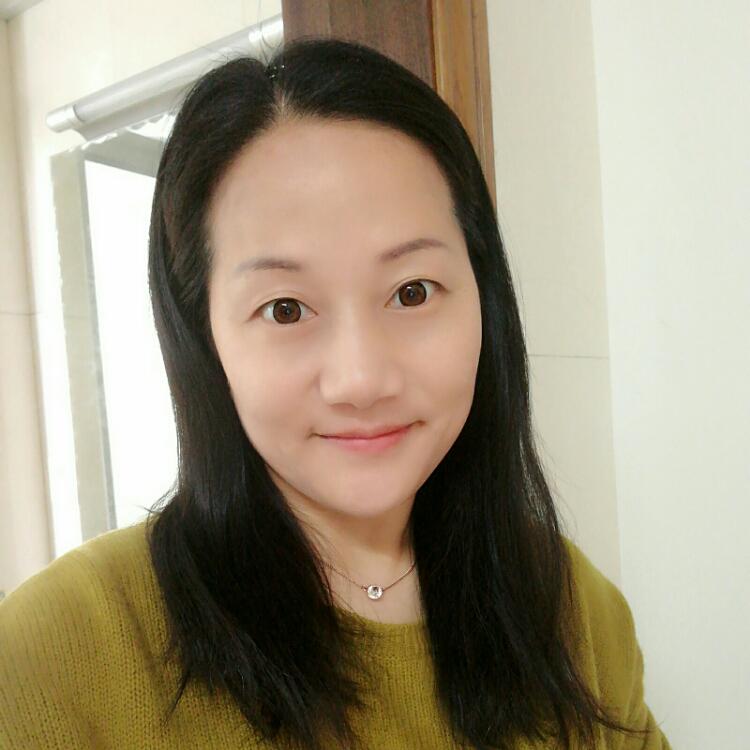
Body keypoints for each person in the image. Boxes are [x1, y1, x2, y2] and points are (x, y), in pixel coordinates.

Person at [0, 37, 672, 750]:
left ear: (485, 298)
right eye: (285, 309)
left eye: (413, 292)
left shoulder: (575, 610)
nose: (361, 379)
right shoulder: (56, 652)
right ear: (204, 337)